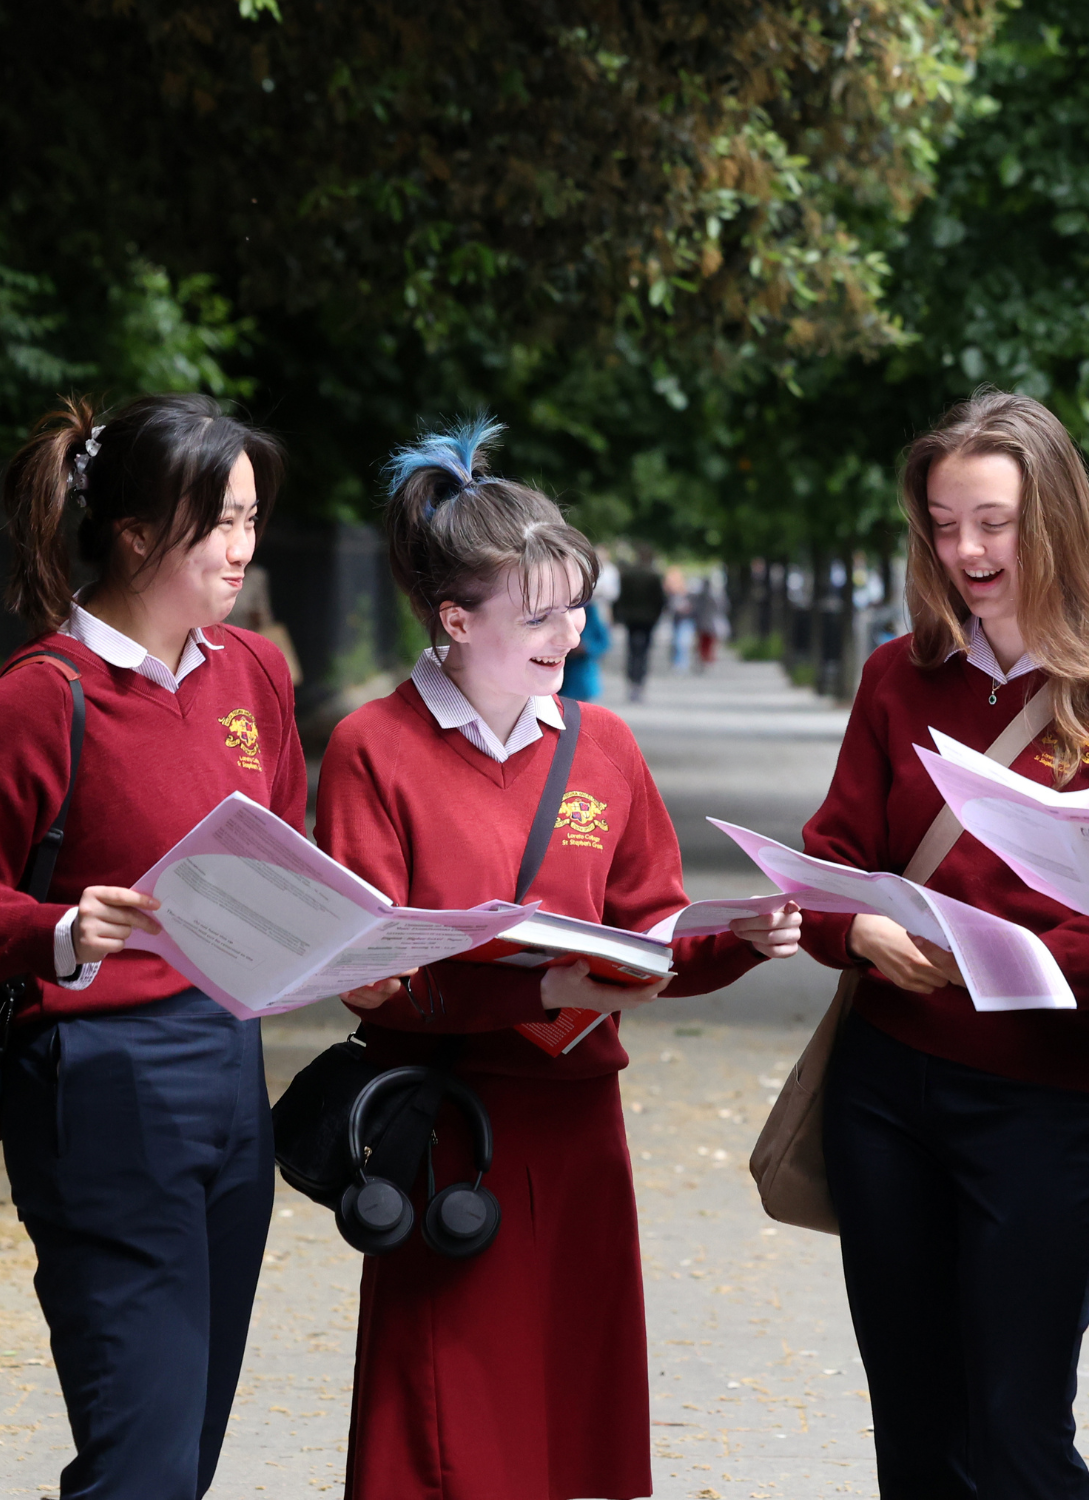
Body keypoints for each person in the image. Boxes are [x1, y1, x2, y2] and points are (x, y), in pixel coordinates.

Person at [313, 418, 802, 1500]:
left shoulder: (603, 746)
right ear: (453, 619)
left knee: (573, 1428)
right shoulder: (372, 751)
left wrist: (746, 940)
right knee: (449, 1433)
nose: (569, 633)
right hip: (445, 1131)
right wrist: (535, 986)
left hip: (581, 1128)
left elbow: (650, 931)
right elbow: (374, 968)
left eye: (574, 604)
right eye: (537, 614)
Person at [797, 389, 1089, 1499]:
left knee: (1018, 1429)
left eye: (992, 521)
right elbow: (831, 855)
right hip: (884, 1091)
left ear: (1058, 520)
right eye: (942, 523)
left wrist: (1010, 965)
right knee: (916, 1427)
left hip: (1047, 1100)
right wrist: (858, 929)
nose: (965, 550)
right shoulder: (899, 674)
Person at [0, 393, 299, 1499]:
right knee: (145, 1462)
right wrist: (62, 928)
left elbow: (288, 850)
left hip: (229, 1062)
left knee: (189, 1452)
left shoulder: (254, 674)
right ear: (134, 533)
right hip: (99, 1079)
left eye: (253, 519)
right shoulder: (43, 698)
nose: (243, 546)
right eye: (220, 520)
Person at [612, 547, 665, 701]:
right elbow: (660, 600)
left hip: (631, 617)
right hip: (648, 618)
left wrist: (619, 616)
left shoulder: (627, 575)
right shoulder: (654, 576)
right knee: (644, 651)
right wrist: (657, 616)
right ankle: (639, 681)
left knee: (632, 650)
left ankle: (632, 681)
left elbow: (621, 597)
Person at [559, 598, 612, 701]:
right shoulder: (558, 609)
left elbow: (604, 642)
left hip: (582, 672)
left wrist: (586, 648)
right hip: (562, 673)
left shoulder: (591, 612)